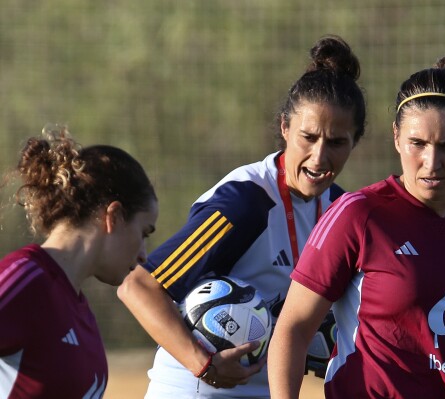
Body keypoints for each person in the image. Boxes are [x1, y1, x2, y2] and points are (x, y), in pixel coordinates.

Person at [267, 53, 445, 399]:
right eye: (417, 143)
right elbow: (293, 328)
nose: (431, 162)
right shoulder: (358, 215)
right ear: (396, 137)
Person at [117, 34, 366, 399]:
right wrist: (205, 364)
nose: (318, 157)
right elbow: (137, 286)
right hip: (195, 390)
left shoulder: (342, 211)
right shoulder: (246, 202)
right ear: (284, 128)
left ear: (355, 142)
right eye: (307, 137)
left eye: (337, 142)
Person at [0, 125, 158, 398]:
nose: (144, 253)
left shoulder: (82, 315)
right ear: (115, 216)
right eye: (144, 233)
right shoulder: (26, 279)